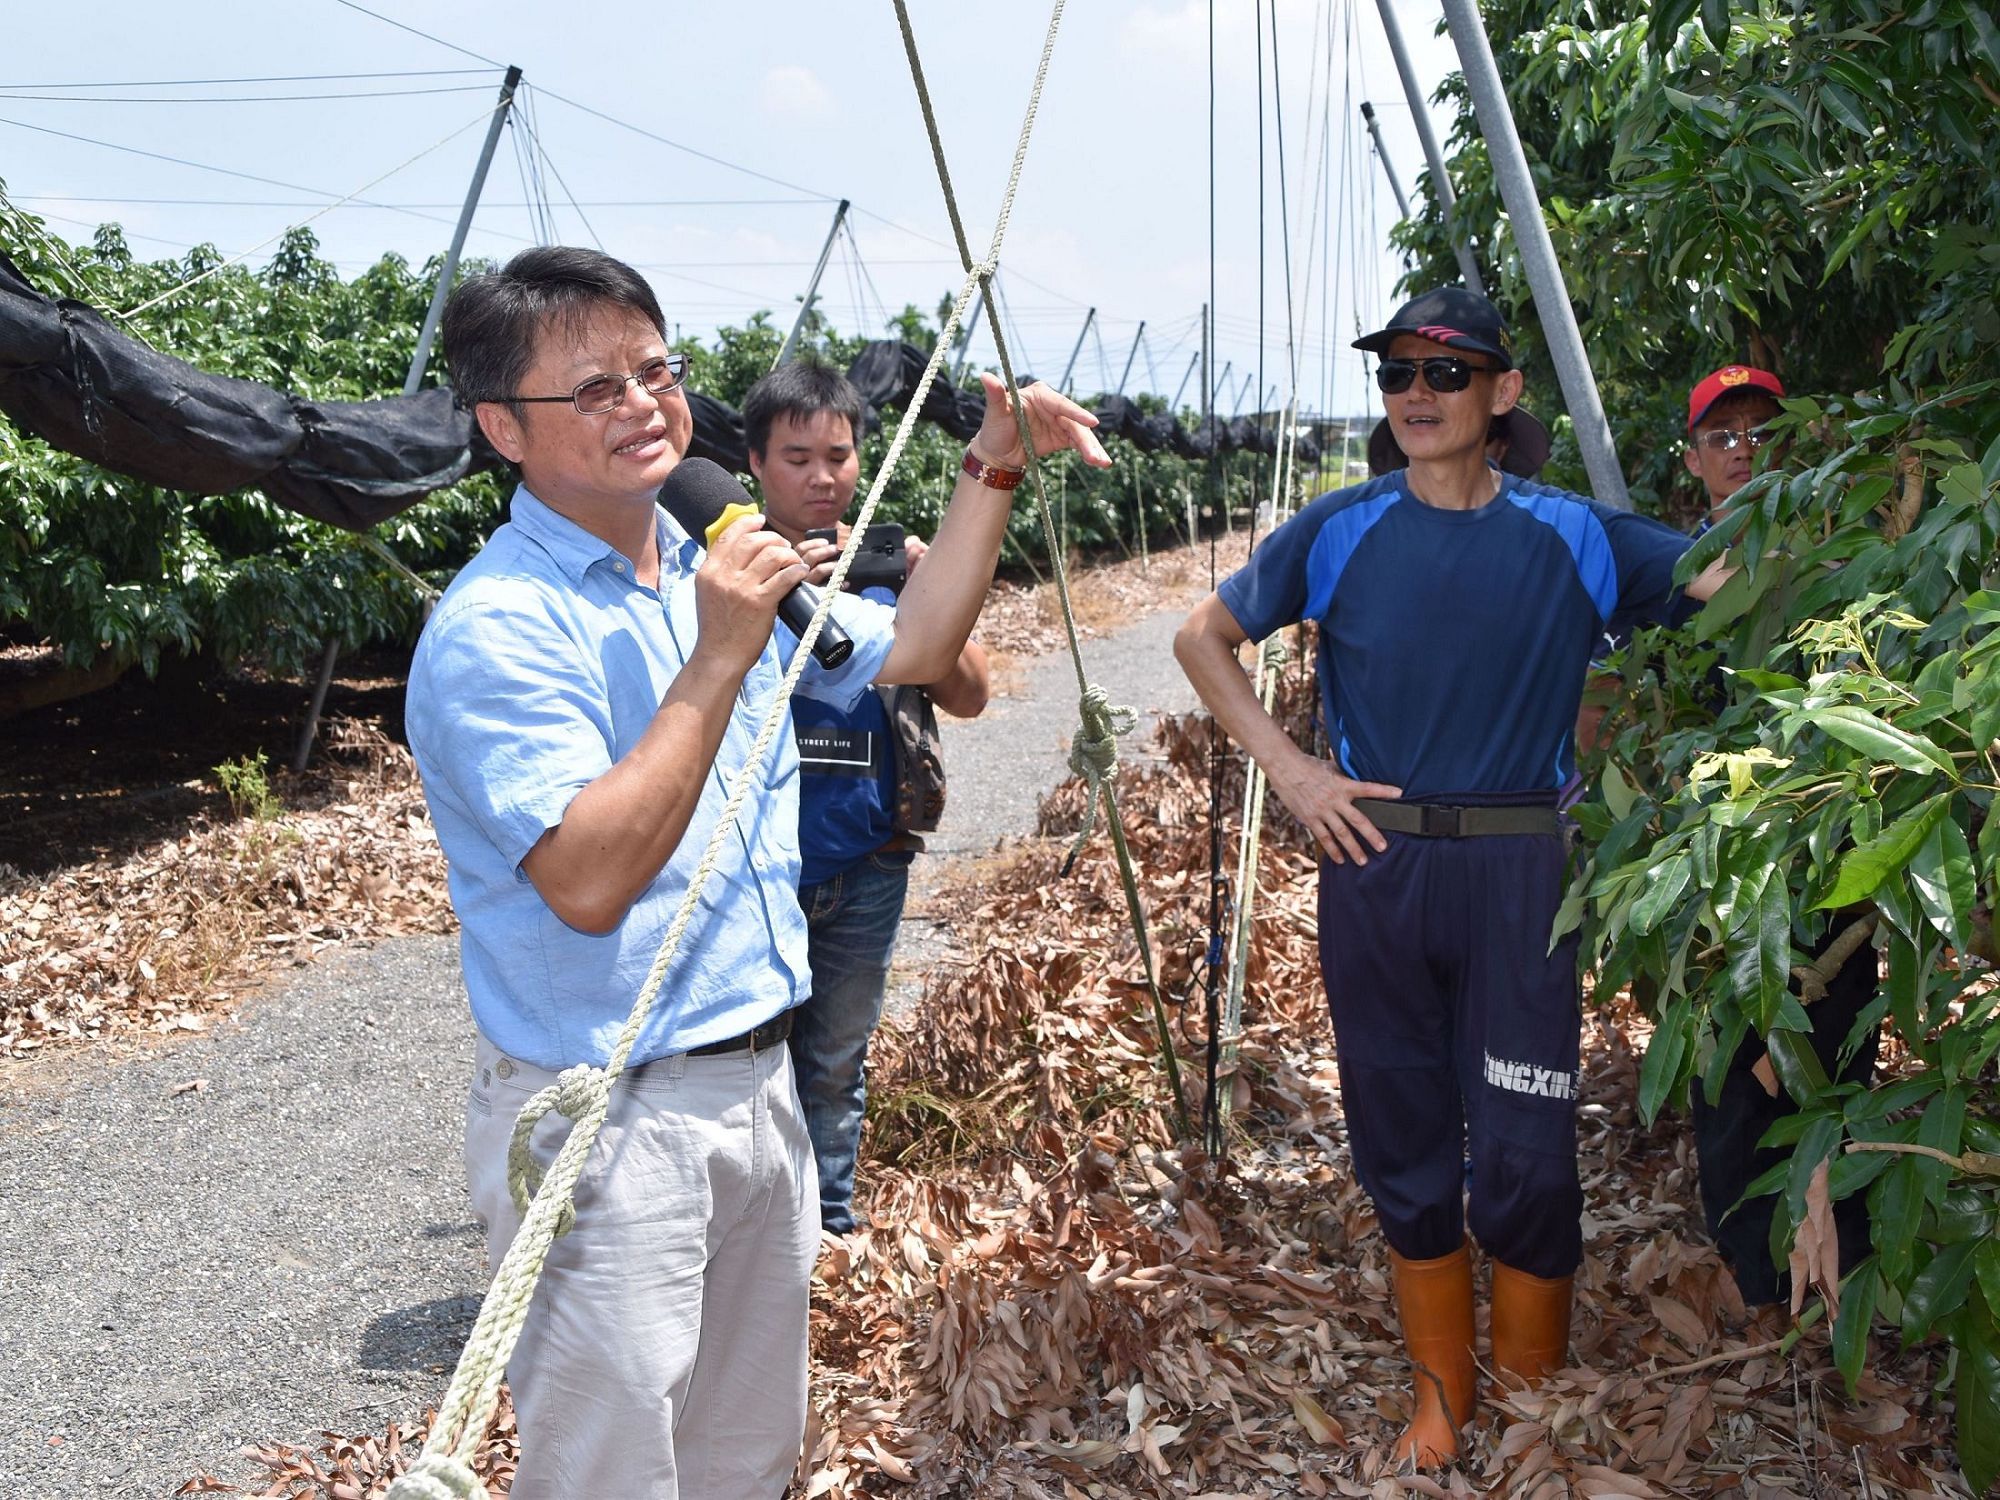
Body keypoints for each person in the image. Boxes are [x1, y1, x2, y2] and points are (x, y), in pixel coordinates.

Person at [404, 245, 1107, 1499]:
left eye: (654, 370)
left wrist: (992, 460)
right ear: (502, 426)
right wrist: (717, 655)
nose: (641, 404)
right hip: (607, 1124)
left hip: (751, 1085)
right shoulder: (497, 627)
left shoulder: (705, 562)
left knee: (744, 1456)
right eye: (593, 389)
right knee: (608, 1473)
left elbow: (926, 647)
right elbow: (584, 877)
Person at [1174, 286, 1731, 1469]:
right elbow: (1200, 638)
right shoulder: (1340, 529)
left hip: (1523, 872)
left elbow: (1729, 586)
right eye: (1395, 376)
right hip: (1376, 865)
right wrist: (1291, 771)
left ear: (1501, 392)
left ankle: (1528, 1401)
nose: (1415, 396)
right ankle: (1443, 1394)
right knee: (1400, 1126)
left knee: (1525, 1143)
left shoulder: (1571, 533)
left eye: (1444, 372)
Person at [739, 360, 992, 1235]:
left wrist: (929, 590)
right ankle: (760, 1232)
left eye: (839, 456)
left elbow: (969, 695)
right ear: (757, 465)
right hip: (756, 867)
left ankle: (830, 1227)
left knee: (837, 1058)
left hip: (868, 860)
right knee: (747, 1064)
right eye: (797, 456)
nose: (821, 476)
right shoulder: (725, 574)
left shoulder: (889, 566)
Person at [1676, 363, 1879, 1307]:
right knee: (1732, 1078)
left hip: (1828, 860)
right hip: (1716, 876)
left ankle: (1849, 1272)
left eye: (1764, 430)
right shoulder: (1674, 579)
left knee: (1832, 1058)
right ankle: (1760, 1282)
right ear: (1694, 461)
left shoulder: (1843, 567)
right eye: (1724, 435)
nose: (1745, 449)